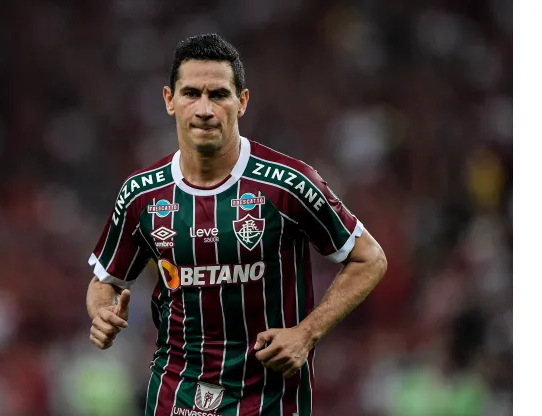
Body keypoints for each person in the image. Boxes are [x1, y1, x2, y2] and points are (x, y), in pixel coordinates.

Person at [85, 33, 388, 416]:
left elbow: (370, 259)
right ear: (169, 101)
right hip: (176, 395)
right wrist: (102, 313)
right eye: (191, 93)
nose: (204, 109)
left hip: (269, 400)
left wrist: (305, 334)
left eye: (219, 95)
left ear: (241, 101)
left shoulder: (288, 183)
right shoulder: (142, 193)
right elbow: (105, 281)